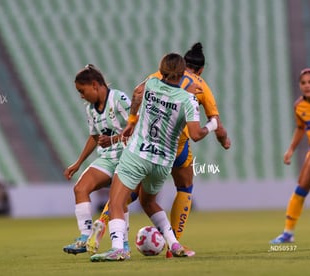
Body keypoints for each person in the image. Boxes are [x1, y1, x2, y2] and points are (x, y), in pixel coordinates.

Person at [86, 43, 230, 256]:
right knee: (158, 198)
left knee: (119, 200)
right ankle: (175, 244)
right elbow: (197, 134)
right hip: (166, 159)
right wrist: (216, 128)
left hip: (138, 153)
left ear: (162, 71)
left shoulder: (152, 82)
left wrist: (131, 121)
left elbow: (136, 93)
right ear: (194, 71)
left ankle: (117, 246)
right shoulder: (191, 97)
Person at [62, 64, 133, 255]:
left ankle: (123, 245)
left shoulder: (119, 99)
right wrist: (78, 163)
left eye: (82, 91)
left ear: (94, 85)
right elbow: (94, 137)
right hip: (108, 159)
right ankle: (85, 237)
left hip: (127, 158)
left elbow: (136, 126)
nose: (81, 96)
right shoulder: (91, 109)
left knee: (118, 200)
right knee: (80, 188)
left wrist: (113, 139)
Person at [270, 68, 310, 244]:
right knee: (300, 190)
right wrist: (290, 150)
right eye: (303, 83)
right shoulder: (299, 106)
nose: (307, 86)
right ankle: (288, 233)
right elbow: (300, 128)